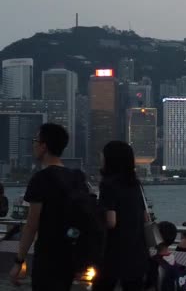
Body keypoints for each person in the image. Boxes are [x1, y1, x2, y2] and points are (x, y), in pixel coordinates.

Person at [9, 123, 89, 290]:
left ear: (43, 146)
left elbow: (31, 225)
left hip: (48, 256)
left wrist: (19, 261)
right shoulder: (76, 177)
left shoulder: (41, 179)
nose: (33, 144)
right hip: (71, 255)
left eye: (35, 140)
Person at [93, 141, 149, 291]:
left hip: (114, 254)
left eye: (103, 155)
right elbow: (146, 218)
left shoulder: (108, 185)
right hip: (138, 252)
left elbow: (111, 221)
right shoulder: (136, 185)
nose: (101, 158)